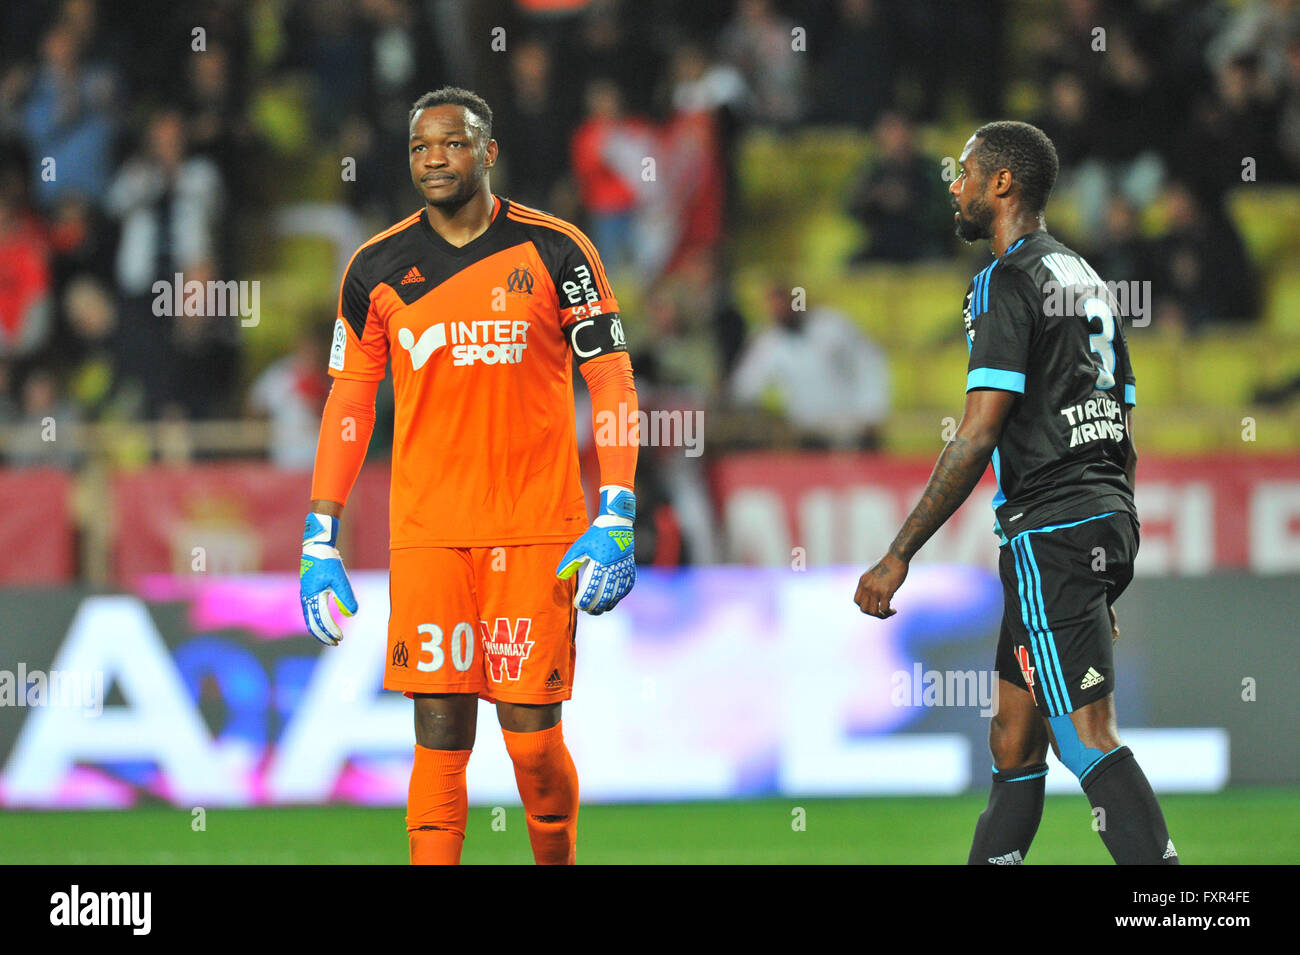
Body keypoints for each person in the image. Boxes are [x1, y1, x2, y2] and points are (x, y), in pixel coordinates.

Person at [298, 87, 639, 865]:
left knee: (531, 745)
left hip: (537, 530)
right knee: (439, 737)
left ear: (487, 151)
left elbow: (612, 379)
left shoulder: (559, 251)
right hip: (429, 533)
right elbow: (351, 399)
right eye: (419, 147)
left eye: (450, 144)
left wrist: (616, 506)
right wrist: (321, 533)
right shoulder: (376, 268)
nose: (433, 160)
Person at [853, 121, 1179, 865]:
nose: (955, 187)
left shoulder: (1005, 280)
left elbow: (976, 434)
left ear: (1003, 183)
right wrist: (1104, 565)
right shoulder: (1085, 277)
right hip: (1101, 514)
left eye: (964, 174)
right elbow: (1121, 422)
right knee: (1014, 733)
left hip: (1050, 526)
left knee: (1083, 735)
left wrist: (898, 553)